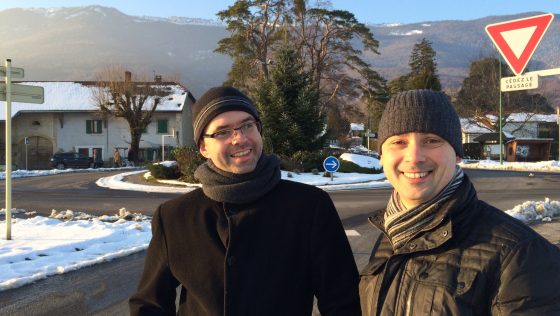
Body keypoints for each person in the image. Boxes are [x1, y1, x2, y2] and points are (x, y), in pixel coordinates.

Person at [129, 86, 360, 315]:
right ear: (203, 147)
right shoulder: (175, 217)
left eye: (247, 125)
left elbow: (343, 302)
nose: (239, 138)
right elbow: (149, 305)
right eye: (223, 132)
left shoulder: (310, 207)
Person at [359, 89, 560, 315]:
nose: (414, 157)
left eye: (431, 140)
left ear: (456, 154)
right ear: (382, 156)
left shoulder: (521, 254)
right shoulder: (390, 236)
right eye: (398, 142)